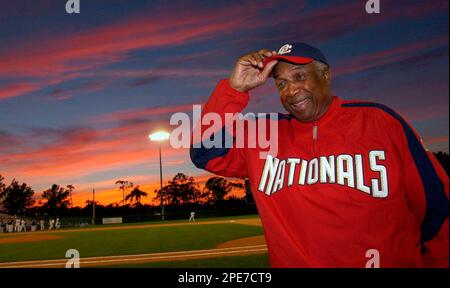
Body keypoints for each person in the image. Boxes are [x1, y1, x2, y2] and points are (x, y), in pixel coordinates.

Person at [190, 42, 449, 268]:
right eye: (281, 83)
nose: (291, 90)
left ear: (325, 74)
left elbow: (437, 209)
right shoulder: (265, 134)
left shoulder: (379, 121)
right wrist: (234, 90)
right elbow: (205, 151)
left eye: (299, 76)